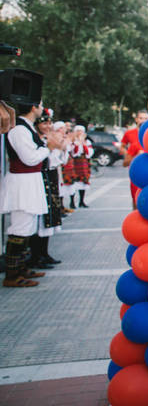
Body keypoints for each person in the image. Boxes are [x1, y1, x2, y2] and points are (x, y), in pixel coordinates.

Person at [0, 100, 63, 287]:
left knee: (28, 227)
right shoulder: (19, 129)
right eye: (41, 105)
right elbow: (29, 158)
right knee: (20, 228)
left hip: (30, 181)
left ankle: (20, 267)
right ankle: (12, 275)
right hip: (22, 183)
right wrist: (48, 148)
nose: (43, 108)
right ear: (34, 107)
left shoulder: (26, 127)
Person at [28, 112, 65, 269]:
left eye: (50, 123)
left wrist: (59, 147)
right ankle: (36, 255)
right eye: (44, 124)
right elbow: (44, 160)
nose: (48, 127)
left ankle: (44, 253)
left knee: (50, 216)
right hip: (41, 179)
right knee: (41, 217)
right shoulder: (37, 140)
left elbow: (59, 159)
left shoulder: (48, 139)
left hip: (50, 178)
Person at [121, 110, 148, 208]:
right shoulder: (133, 140)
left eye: (146, 118)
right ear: (136, 119)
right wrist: (133, 156)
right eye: (141, 118)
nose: (143, 121)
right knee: (136, 200)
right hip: (136, 173)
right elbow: (124, 162)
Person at [70, 125, 93, 208]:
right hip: (75, 162)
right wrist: (78, 143)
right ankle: (72, 201)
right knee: (73, 182)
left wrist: (83, 143)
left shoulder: (87, 142)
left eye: (81, 131)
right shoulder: (73, 141)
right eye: (78, 131)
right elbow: (73, 152)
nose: (79, 133)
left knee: (83, 181)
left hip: (83, 162)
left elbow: (89, 153)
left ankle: (81, 201)